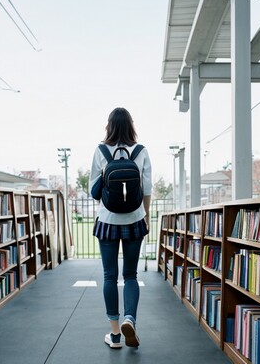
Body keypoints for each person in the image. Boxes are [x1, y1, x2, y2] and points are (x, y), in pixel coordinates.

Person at [89, 107, 152, 349]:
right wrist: (144, 215)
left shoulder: (100, 150)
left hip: (107, 220)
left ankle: (115, 335)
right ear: (131, 126)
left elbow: (94, 191)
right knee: (131, 275)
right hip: (135, 219)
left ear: (109, 126)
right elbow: (146, 189)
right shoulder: (142, 151)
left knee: (109, 276)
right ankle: (130, 320)